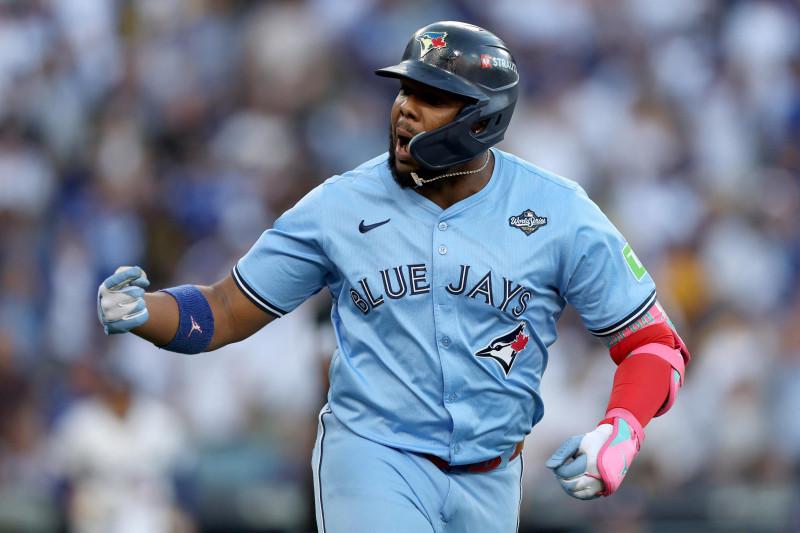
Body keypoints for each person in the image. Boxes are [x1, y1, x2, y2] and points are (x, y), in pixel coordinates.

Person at [97, 21, 691, 533]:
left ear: (481, 120)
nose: (405, 107)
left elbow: (654, 345)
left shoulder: (559, 211)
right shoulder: (339, 205)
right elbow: (224, 311)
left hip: (492, 475)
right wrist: (149, 312)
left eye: (431, 95)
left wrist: (623, 429)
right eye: (405, 89)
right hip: (373, 455)